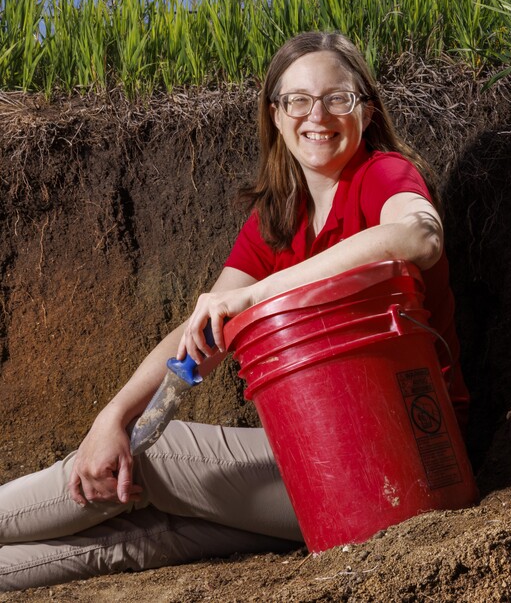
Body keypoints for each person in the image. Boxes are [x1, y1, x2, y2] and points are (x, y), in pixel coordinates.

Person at [0, 31, 468, 591]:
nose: (316, 115)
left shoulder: (381, 174)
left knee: (153, 455)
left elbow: (418, 234)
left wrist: (258, 295)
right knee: (144, 532)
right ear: (275, 115)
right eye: (297, 100)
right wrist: (114, 415)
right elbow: (202, 331)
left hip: (406, 463)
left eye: (336, 98)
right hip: (329, 481)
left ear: (366, 112)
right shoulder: (279, 217)